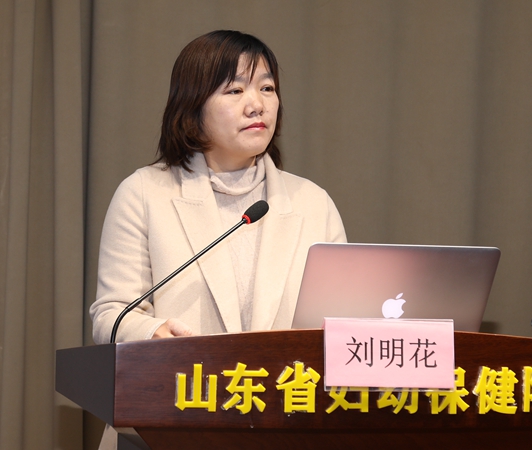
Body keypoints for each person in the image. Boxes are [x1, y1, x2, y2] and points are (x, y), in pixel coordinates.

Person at [90, 30, 347, 449]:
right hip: (167, 427)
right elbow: (111, 315)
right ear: (193, 108)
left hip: (284, 430)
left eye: (267, 88)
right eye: (235, 90)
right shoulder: (145, 193)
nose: (257, 103)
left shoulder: (313, 203)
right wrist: (151, 332)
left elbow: (340, 326)